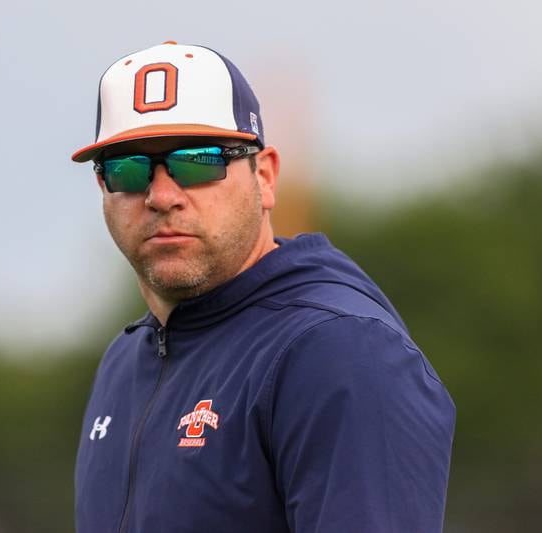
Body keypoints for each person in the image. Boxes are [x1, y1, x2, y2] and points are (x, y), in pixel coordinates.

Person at [71, 41, 455, 533]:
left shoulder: (340, 349)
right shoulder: (124, 361)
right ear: (103, 188)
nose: (162, 195)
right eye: (128, 168)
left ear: (266, 176)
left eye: (197, 161)